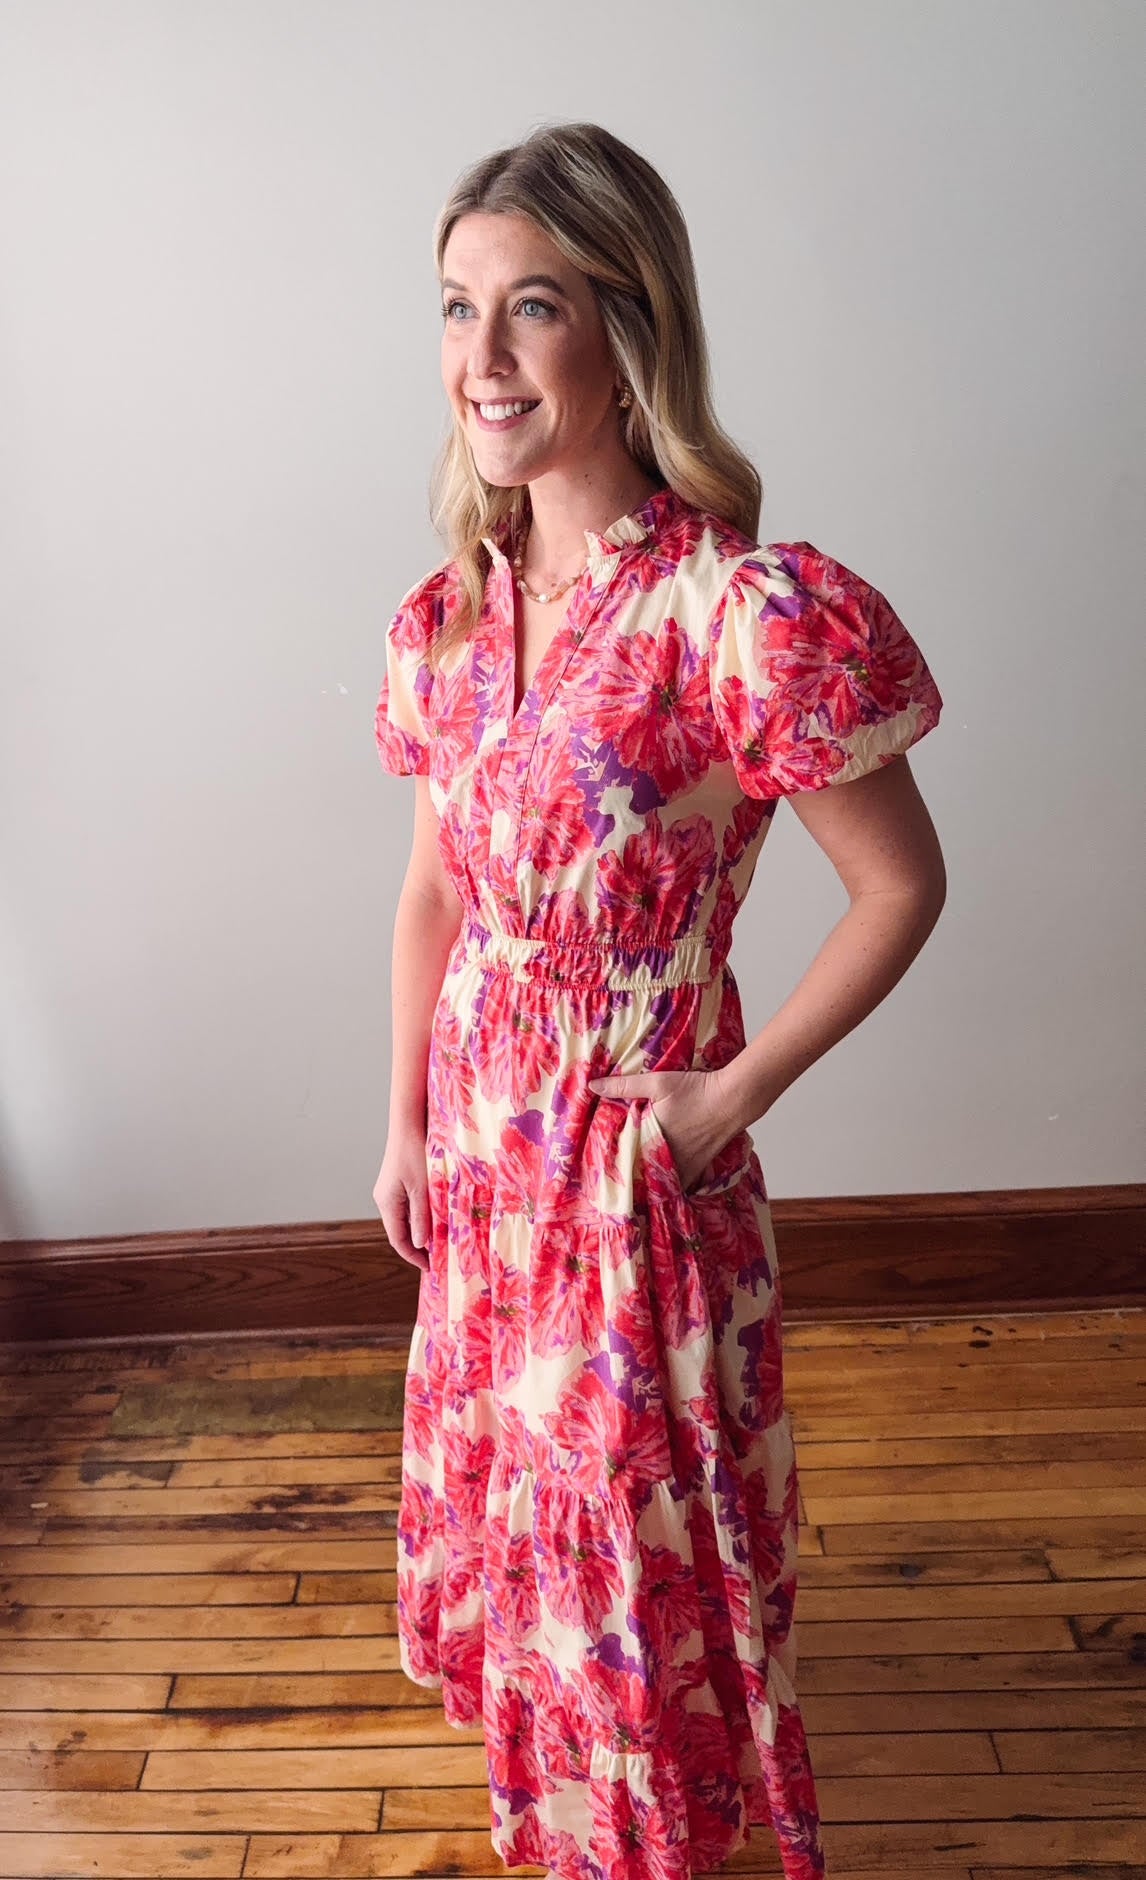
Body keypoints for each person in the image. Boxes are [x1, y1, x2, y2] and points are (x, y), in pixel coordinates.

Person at [373, 120, 946, 1880]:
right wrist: (398, 1117)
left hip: (626, 1176)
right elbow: (435, 892)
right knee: (530, 1534)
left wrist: (731, 1091)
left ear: (624, 333)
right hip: (482, 1153)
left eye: (527, 309)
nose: (479, 360)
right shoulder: (452, 622)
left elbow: (898, 885)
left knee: (625, 1562)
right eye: (455, 307)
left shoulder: (738, 617)